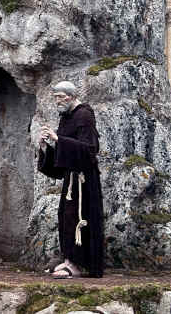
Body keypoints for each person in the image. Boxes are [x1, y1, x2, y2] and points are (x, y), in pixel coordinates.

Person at [37, 81, 104, 278]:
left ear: (71, 96)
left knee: (79, 218)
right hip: (71, 179)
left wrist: (58, 139)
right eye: (55, 97)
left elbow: (90, 149)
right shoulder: (66, 117)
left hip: (85, 180)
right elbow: (63, 153)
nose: (57, 101)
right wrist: (46, 147)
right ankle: (69, 259)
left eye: (60, 97)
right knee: (66, 217)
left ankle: (77, 264)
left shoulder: (84, 115)